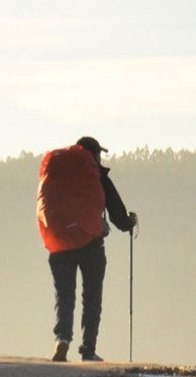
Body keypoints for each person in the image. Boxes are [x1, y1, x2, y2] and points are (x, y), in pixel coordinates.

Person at [36, 136, 137, 362]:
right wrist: (129, 223)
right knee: (91, 298)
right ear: (95, 154)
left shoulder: (57, 174)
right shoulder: (97, 175)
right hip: (90, 245)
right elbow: (117, 214)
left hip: (59, 243)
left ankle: (62, 339)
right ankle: (88, 350)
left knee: (64, 295)